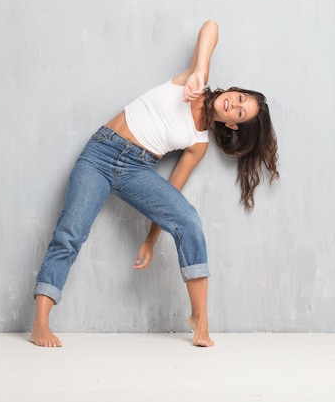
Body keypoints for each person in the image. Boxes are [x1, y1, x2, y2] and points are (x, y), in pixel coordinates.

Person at [30, 20, 279, 347]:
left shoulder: (198, 143)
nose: (235, 102)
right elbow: (211, 27)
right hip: (100, 152)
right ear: (233, 91)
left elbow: (171, 195)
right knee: (70, 233)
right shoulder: (190, 82)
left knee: (188, 220)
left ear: (234, 125)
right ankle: (40, 324)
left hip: (137, 170)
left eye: (241, 111)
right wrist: (199, 71)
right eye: (240, 97)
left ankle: (200, 320)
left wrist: (150, 239)